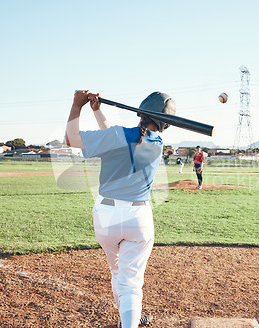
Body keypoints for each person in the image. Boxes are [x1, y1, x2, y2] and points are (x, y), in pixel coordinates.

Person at [65, 90, 176, 328]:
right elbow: (118, 136)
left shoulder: (118, 135)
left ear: (141, 112)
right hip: (139, 219)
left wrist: (77, 106)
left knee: (117, 272)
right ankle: (130, 319)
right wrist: (97, 111)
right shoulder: (157, 143)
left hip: (106, 218)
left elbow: (72, 140)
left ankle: (128, 317)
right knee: (131, 282)